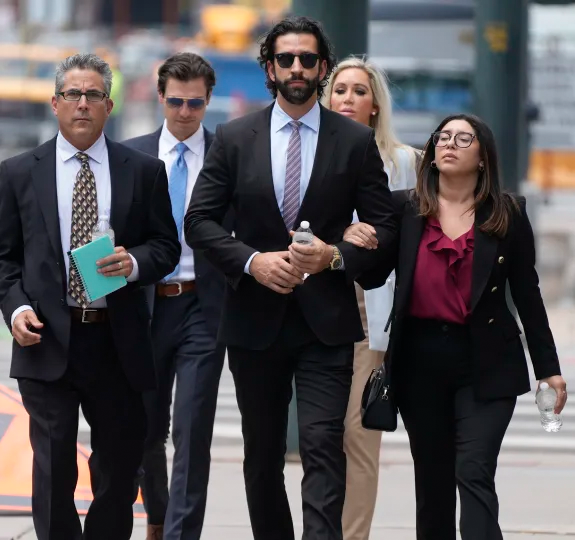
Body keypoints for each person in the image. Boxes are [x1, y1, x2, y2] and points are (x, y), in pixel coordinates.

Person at [183, 16, 398, 540]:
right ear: (269, 69)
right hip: (255, 321)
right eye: (286, 59)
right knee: (262, 454)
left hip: (326, 322)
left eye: (307, 59)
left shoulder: (352, 141)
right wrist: (253, 261)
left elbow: (384, 228)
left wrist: (336, 255)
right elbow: (199, 221)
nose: (297, 68)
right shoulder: (235, 138)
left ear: (322, 69)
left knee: (324, 445)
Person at [0, 53, 180, 540]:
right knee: (53, 468)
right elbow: (4, 260)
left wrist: (133, 263)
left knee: (118, 469)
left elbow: (165, 246)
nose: (82, 104)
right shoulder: (18, 172)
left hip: (117, 341)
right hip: (47, 339)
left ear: (108, 105)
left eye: (93, 95)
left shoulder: (143, 171)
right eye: (72, 94)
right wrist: (18, 309)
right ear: (54, 103)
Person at [352, 113, 568, 540]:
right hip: (419, 362)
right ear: (432, 153)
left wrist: (549, 367)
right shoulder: (404, 208)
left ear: (483, 157)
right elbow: (374, 275)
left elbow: (528, 293)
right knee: (432, 485)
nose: (449, 144)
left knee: (473, 472)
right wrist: (359, 241)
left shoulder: (508, 213)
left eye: (462, 139)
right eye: (443, 137)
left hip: (486, 361)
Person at [121, 52, 229, 540]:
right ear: (160, 97)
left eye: (196, 103)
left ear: (208, 101)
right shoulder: (131, 156)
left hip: (203, 307)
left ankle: (183, 534)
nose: (185, 112)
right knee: (145, 429)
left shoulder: (229, 155)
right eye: (176, 101)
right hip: (144, 306)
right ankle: (159, 517)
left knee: (192, 428)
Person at [320, 55, 420, 540]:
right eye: (340, 90)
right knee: (320, 438)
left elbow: (418, 245)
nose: (349, 99)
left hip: (370, 312)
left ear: (376, 105)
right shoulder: (308, 152)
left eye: (360, 91)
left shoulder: (403, 163)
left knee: (359, 438)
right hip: (314, 309)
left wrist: (379, 234)